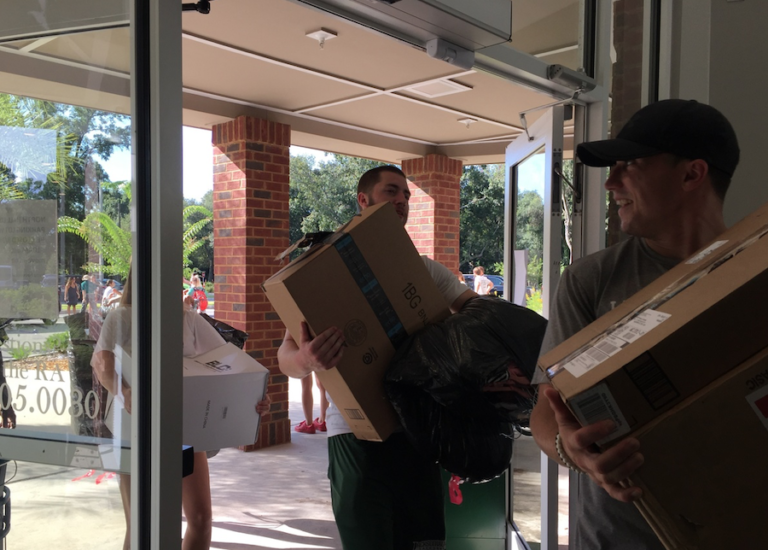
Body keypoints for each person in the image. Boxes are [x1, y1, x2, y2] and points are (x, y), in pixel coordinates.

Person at [529, 99, 740, 550]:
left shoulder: (751, 275)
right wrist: (574, 450)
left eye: (629, 165)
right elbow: (546, 412)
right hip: (613, 539)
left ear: (691, 174)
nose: (610, 182)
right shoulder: (591, 280)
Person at [278, 165, 479, 550]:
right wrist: (306, 360)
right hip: (355, 433)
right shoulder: (321, 270)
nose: (402, 201)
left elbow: (476, 311)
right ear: (363, 199)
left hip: (420, 429)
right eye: (392, 191)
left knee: (424, 542)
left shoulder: (424, 271)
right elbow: (285, 357)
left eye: (406, 195)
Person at [91, 268, 271, 550]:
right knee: (141, 524)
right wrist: (125, 393)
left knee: (200, 518)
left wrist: (252, 398)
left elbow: (231, 364)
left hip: (184, 428)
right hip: (134, 430)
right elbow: (101, 364)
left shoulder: (188, 319)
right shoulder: (122, 316)